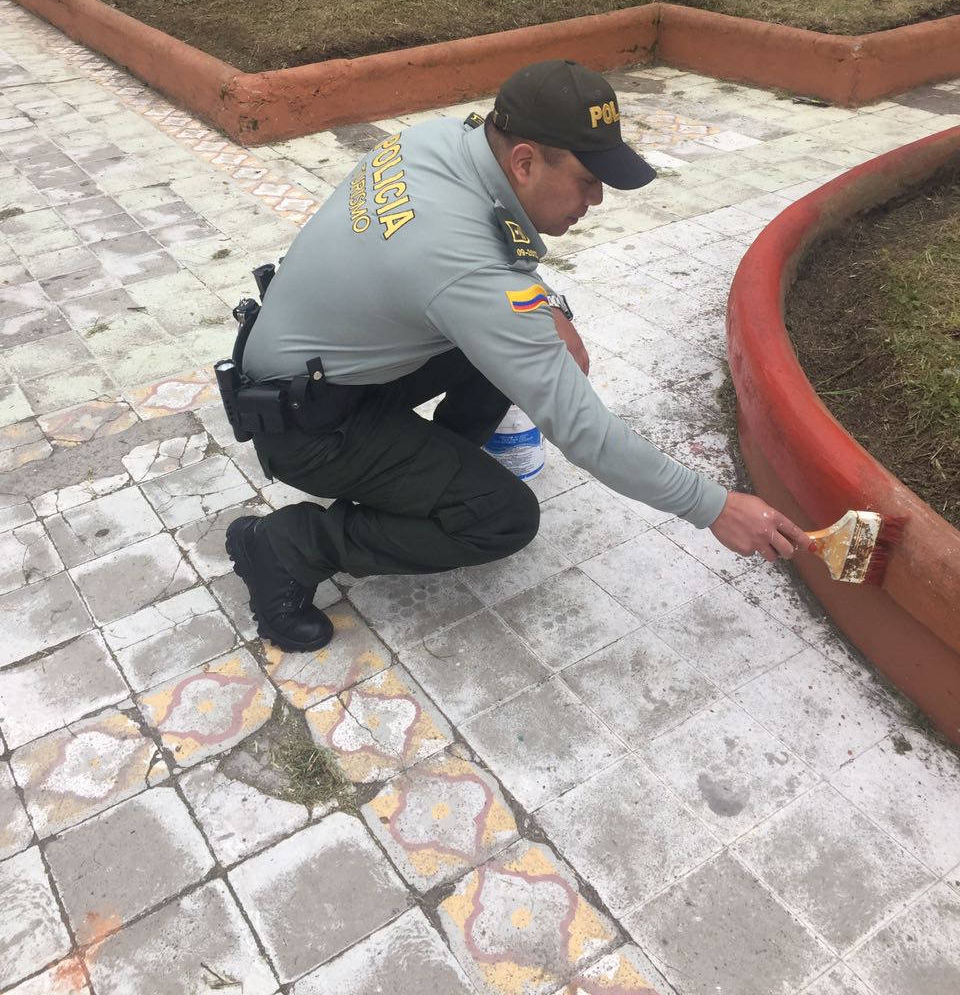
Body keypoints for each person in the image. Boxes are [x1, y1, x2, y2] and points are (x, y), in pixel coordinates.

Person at [223, 59, 811, 652]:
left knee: (519, 345)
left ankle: (424, 476)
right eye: (587, 179)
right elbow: (584, 431)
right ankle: (285, 546)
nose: (597, 199)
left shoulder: (439, 141)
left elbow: (494, 257)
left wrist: (547, 306)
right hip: (307, 427)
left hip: (318, 367)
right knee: (501, 519)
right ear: (525, 162)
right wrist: (714, 507)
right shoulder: (460, 269)